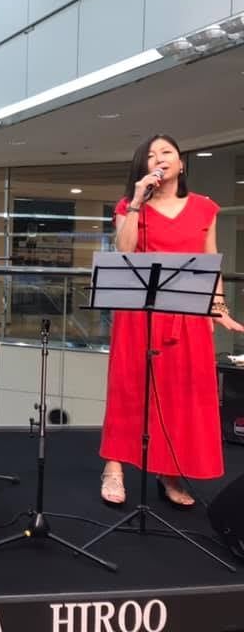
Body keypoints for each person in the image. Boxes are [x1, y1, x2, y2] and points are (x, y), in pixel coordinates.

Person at [99, 134, 244, 509]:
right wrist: (136, 202)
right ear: (142, 167)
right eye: (150, 155)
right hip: (139, 315)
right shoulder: (130, 205)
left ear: (181, 163)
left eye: (166, 152)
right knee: (130, 389)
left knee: (181, 395)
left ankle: (170, 471)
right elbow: (124, 252)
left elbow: (210, 261)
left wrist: (218, 307)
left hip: (188, 316)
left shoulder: (205, 208)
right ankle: (114, 467)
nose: (159, 159)